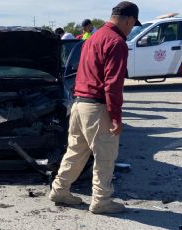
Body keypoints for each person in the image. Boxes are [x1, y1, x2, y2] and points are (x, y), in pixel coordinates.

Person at [49, 1, 141, 214]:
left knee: (75, 152)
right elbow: (113, 85)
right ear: (129, 19)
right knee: (105, 155)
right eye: (133, 24)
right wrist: (116, 117)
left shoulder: (92, 39)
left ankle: (60, 189)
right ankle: (101, 200)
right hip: (97, 107)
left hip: (79, 104)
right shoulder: (116, 42)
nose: (131, 29)